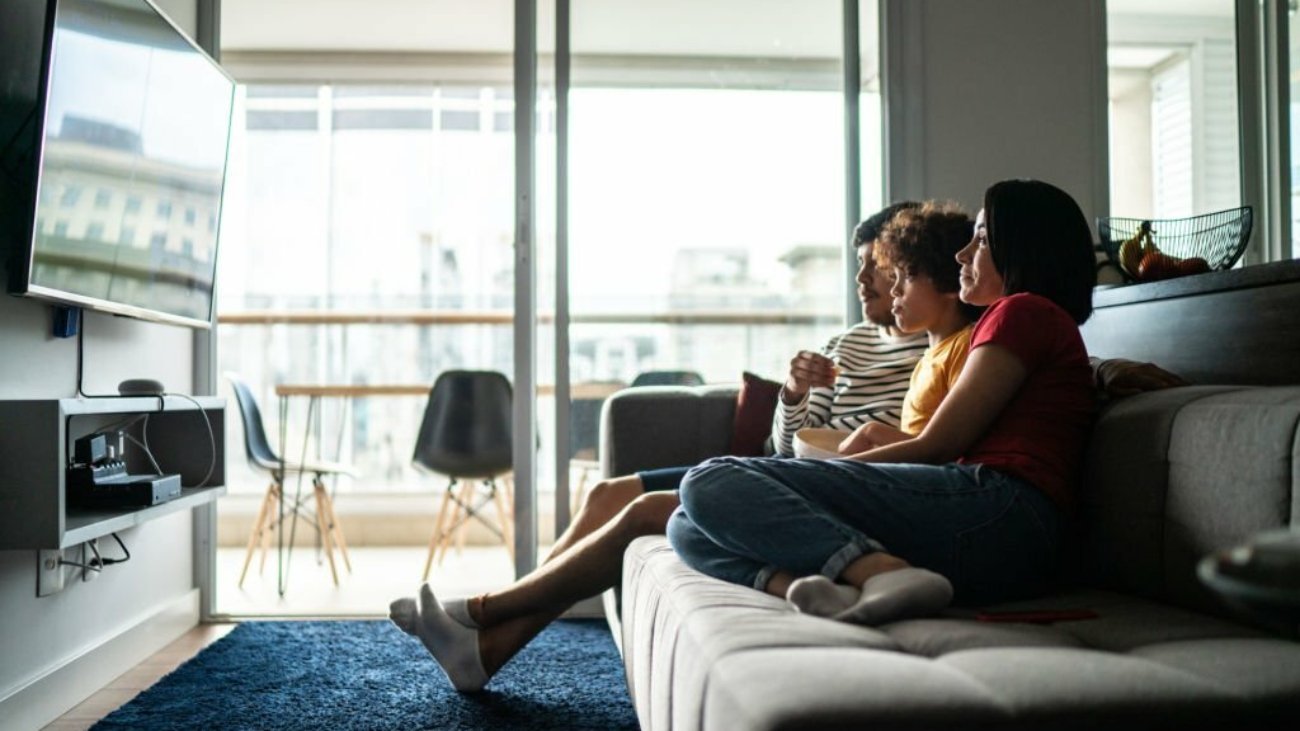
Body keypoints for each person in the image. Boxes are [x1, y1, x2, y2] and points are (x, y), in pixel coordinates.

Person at [387, 202, 937, 692]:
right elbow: (785, 445)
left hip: (811, 483)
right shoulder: (846, 342)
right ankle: (483, 646)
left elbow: (912, 445)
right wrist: (793, 393)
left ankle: (483, 622)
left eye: (877, 264)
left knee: (644, 511)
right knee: (606, 492)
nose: (863, 278)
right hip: (781, 468)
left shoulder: (934, 352)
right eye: (858, 264)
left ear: (909, 268)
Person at [665, 179, 1100, 626]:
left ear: (1024, 249)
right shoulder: (1025, 322)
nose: (963, 254)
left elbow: (938, 444)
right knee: (684, 524)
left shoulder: (1022, 311)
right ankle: (821, 587)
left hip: (1000, 512)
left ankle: (881, 571)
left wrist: (815, 475)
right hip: (988, 525)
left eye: (983, 239)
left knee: (709, 479)